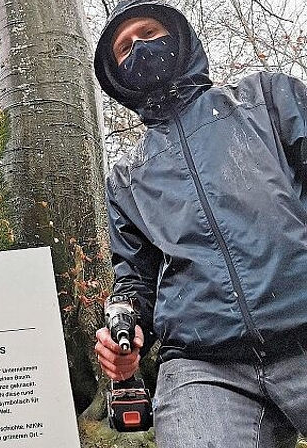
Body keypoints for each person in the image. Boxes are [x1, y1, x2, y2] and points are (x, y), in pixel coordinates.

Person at [93, 0, 307, 445]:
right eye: (125, 49)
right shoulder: (127, 177)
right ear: (118, 77)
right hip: (202, 365)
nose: (139, 48)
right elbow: (134, 279)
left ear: (178, 38)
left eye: (148, 34)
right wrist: (126, 333)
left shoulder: (268, 100)